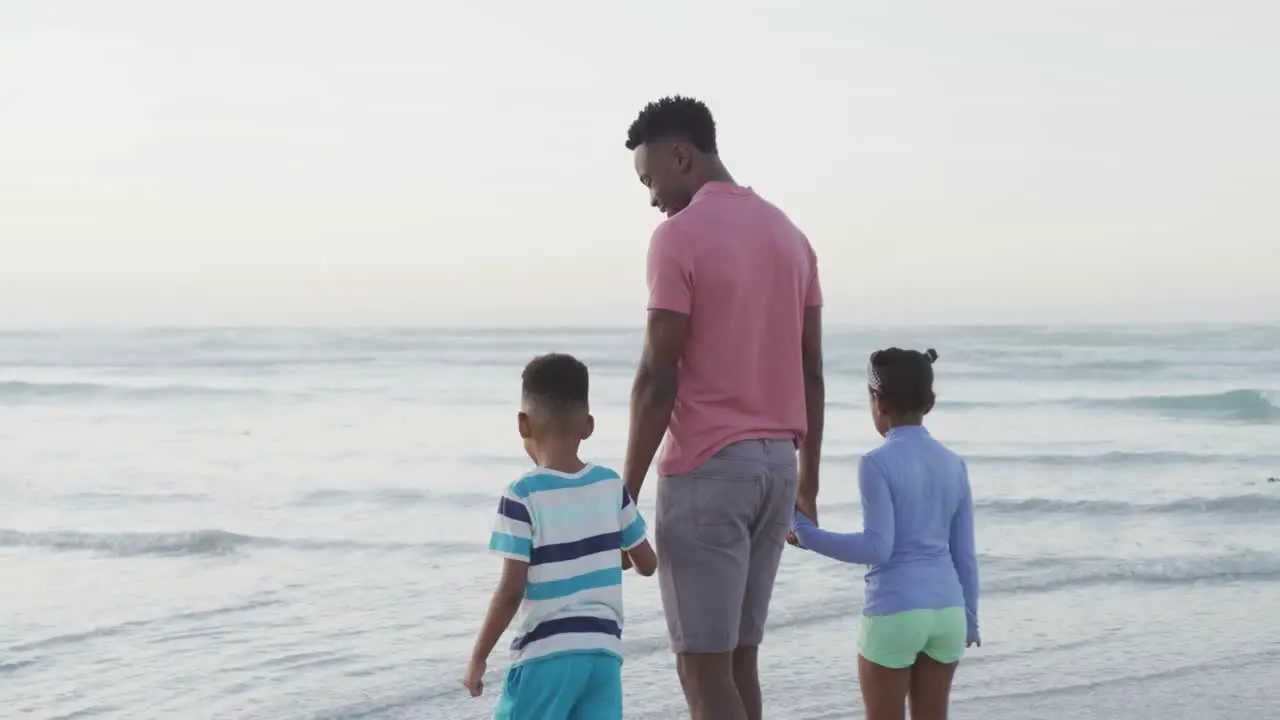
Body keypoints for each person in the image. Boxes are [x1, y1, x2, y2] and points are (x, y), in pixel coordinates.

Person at [620, 95, 825, 720]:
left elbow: (658, 375)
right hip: (777, 470)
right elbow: (811, 371)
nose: (651, 197)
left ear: (681, 156)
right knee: (739, 660)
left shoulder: (676, 237)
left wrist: (622, 492)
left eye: (650, 179)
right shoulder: (791, 236)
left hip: (708, 472)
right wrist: (809, 481)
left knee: (703, 670)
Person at [463, 353, 658, 720]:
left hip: (545, 657)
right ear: (588, 425)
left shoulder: (521, 495)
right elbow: (647, 563)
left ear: (523, 423)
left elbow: (510, 591)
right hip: (602, 655)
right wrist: (605, 552)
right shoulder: (610, 485)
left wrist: (478, 657)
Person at [792, 348, 980, 720]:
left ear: (877, 401)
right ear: (929, 403)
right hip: (948, 613)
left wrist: (806, 533)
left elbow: (878, 547)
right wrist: (970, 619)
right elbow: (965, 555)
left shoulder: (876, 463)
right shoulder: (954, 465)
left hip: (895, 611)